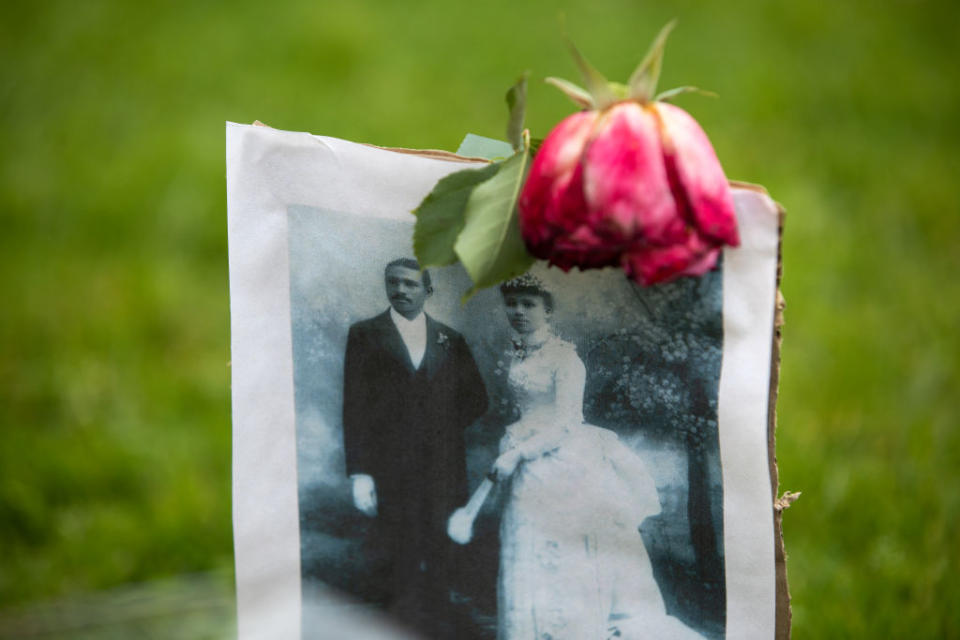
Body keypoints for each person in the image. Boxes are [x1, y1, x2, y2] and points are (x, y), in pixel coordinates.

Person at [491, 273, 703, 640]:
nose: (519, 312)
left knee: (563, 549)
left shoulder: (566, 360)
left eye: (529, 305)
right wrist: (513, 445)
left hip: (561, 461)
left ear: (548, 311)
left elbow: (567, 422)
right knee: (526, 540)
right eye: (513, 304)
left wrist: (518, 453)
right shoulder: (518, 352)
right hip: (524, 459)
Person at [342, 258, 488, 638]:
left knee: (442, 548)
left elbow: (477, 399)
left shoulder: (449, 339)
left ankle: (438, 624)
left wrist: (440, 427)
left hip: (443, 465)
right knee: (397, 548)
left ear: (427, 290)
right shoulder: (365, 334)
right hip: (389, 467)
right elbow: (353, 406)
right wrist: (360, 473)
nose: (401, 290)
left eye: (410, 284)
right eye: (394, 283)